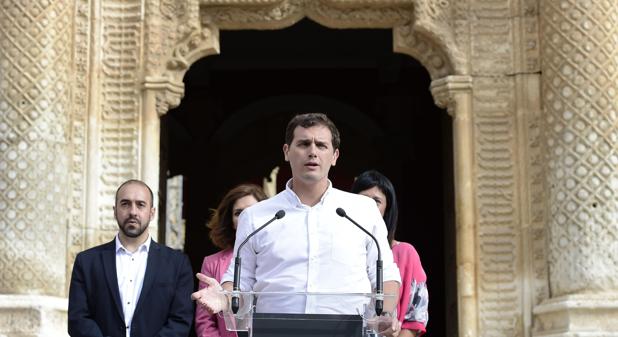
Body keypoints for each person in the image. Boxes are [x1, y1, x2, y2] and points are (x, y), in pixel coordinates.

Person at [191, 113, 402, 335]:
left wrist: (385, 316)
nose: (312, 151)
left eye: (321, 145)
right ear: (286, 152)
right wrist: (224, 298)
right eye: (303, 144)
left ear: (335, 156)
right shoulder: (256, 216)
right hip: (274, 329)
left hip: (348, 329)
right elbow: (240, 279)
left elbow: (386, 274)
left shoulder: (362, 210)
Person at [68, 179, 194, 337]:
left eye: (140, 204)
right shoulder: (86, 262)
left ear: (152, 212)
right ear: (115, 211)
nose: (133, 211)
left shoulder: (178, 264)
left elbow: (180, 321)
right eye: (125, 204)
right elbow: (77, 319)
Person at [352, 170, 429, 337]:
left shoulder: (405, 253)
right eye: (362, 200)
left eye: (376, 202)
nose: (368, 207)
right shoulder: (340, 251)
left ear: (387, 210)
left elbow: (415, 317)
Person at [195, 184, 268, 337]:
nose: (245, 218)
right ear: (231, 221)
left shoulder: (277, 258)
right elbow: (205, 323)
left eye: (251, 211)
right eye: (238, 213)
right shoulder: (212, 263)